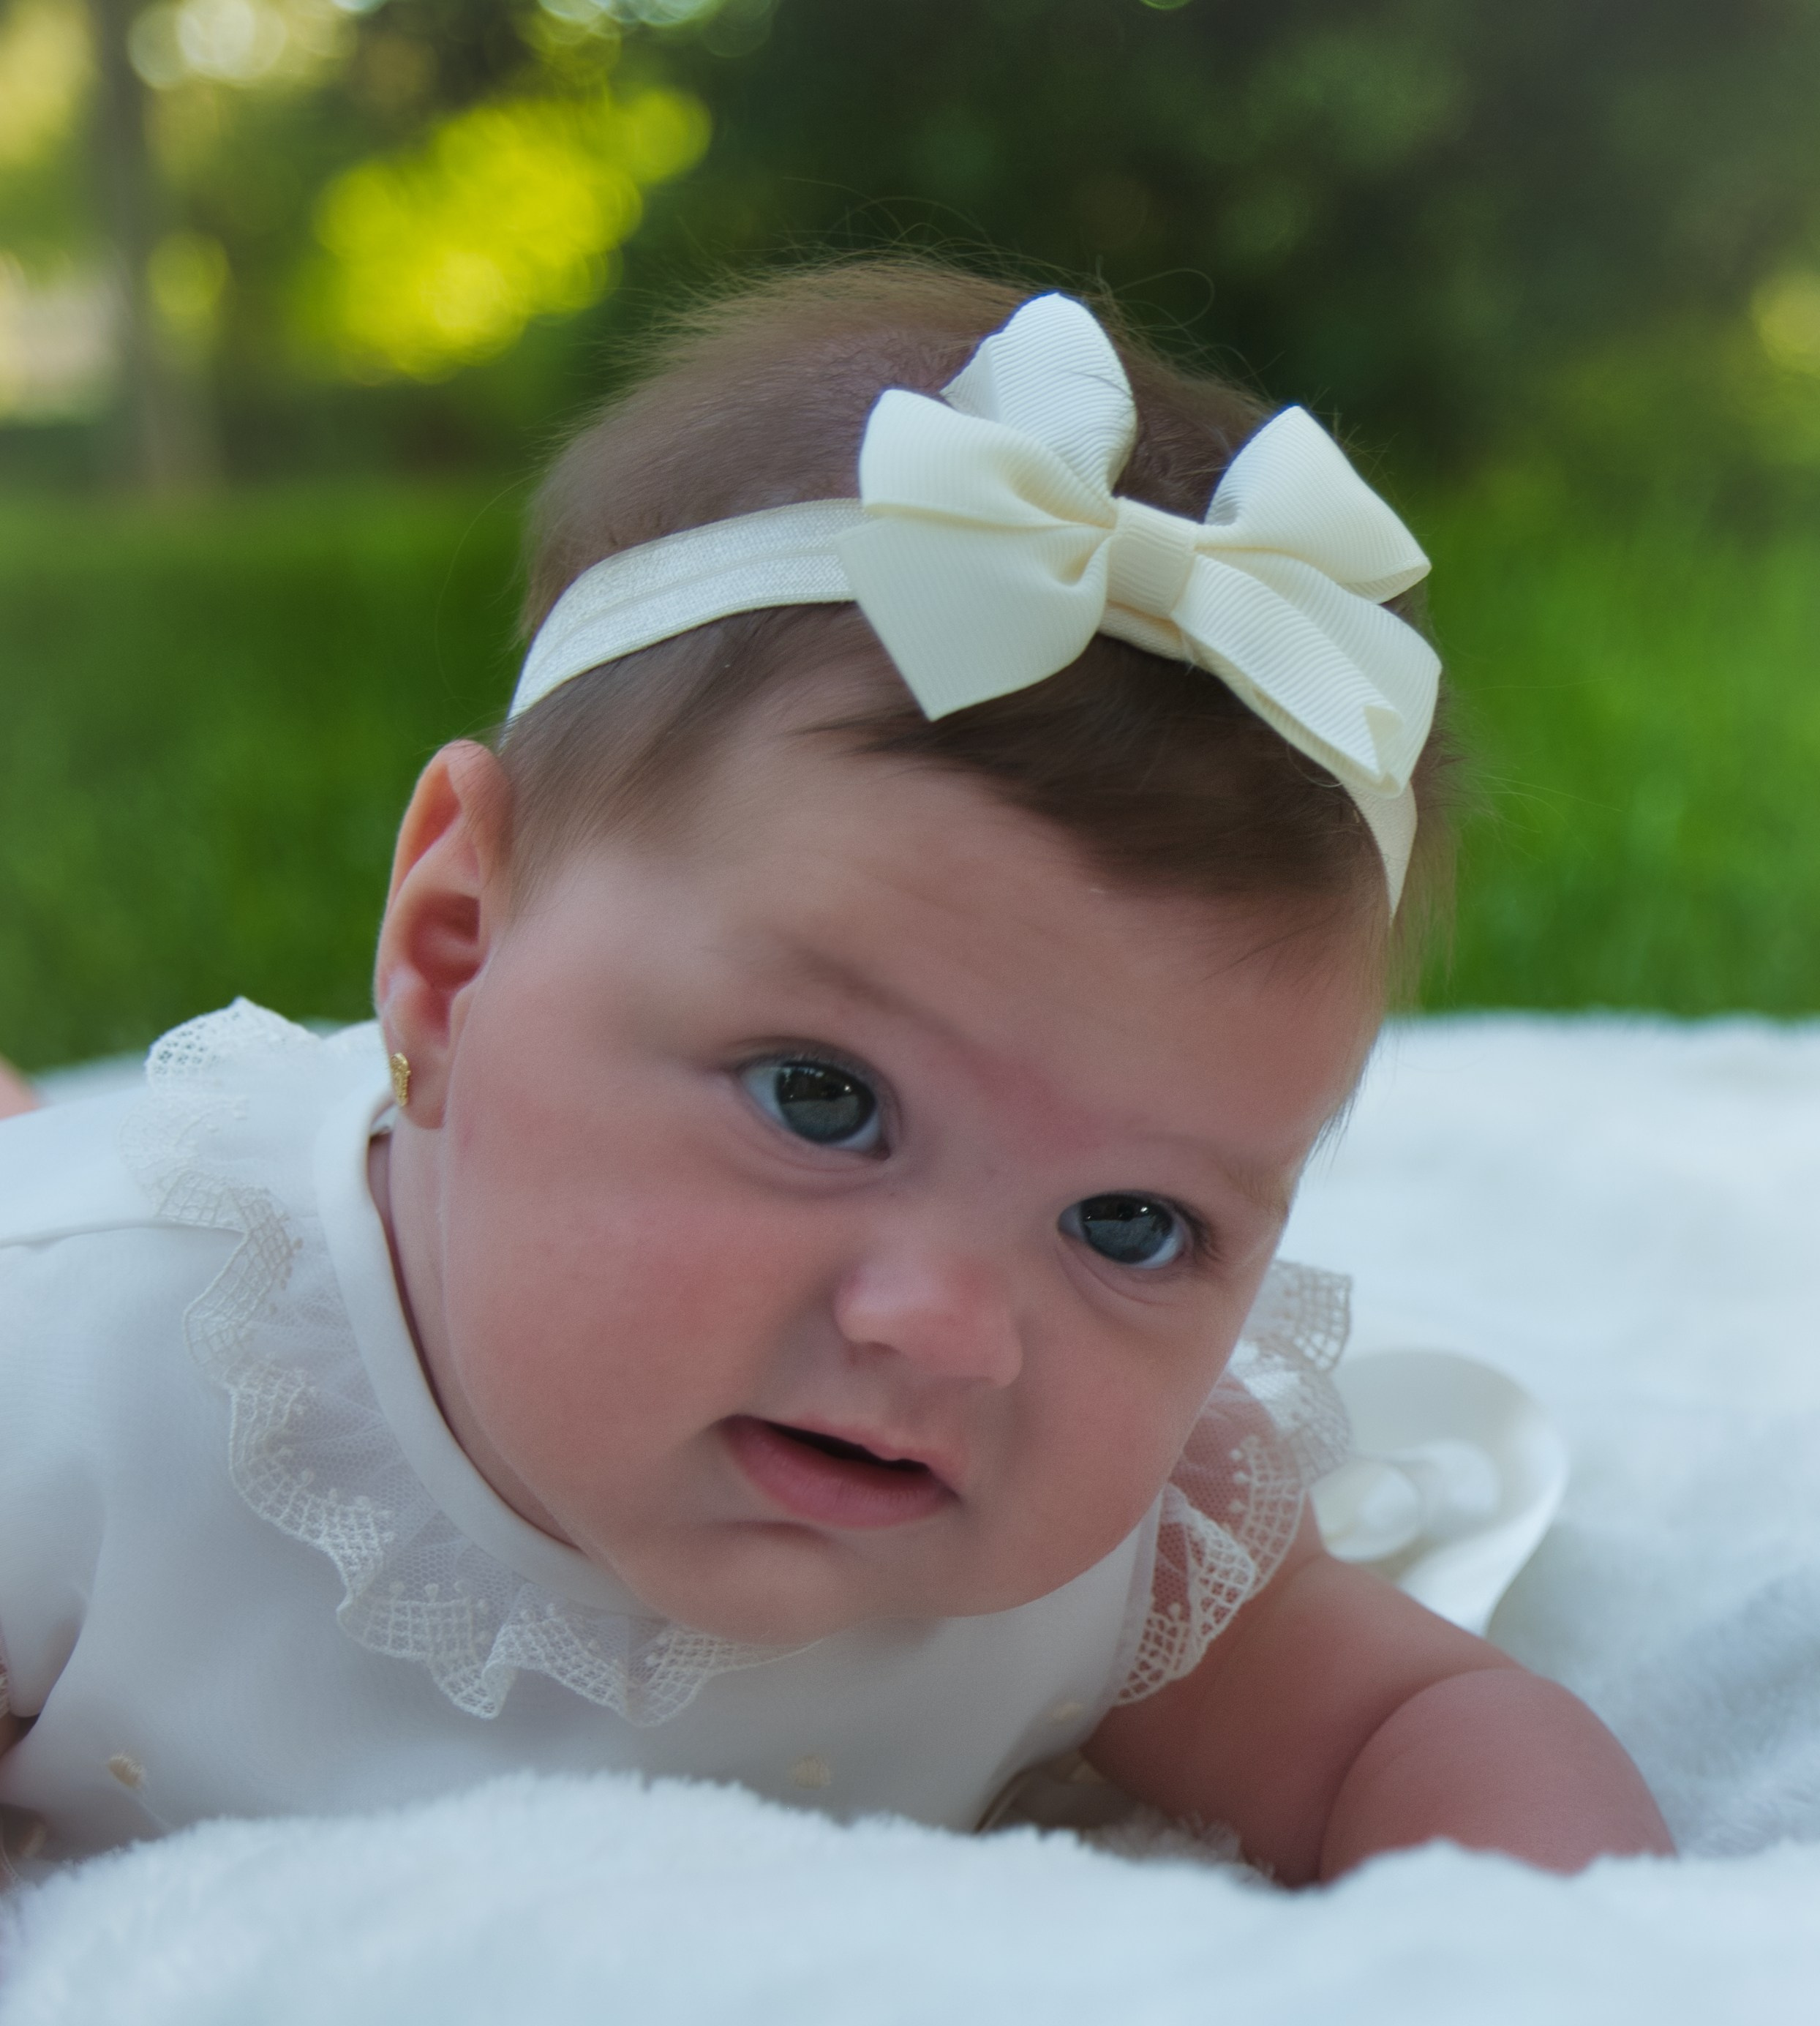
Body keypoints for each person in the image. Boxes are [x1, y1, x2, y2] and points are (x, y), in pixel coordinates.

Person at [0, 264, 1669, 1880]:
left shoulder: (1126, 1543)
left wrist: (1530, 1996)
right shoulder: (88, 1380)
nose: (944, 1327)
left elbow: (1405, 1724)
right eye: (821, 1101)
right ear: (454, 957)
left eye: (1131, 1225)